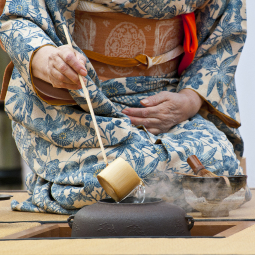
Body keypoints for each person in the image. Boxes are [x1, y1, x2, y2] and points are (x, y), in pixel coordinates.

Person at [0, 0, 247, 214]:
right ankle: (59, 181)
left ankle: (68, 183)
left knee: (219, 165)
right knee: (120, 175)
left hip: (166, 100)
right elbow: (20, 17)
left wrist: (190, 99)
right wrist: (49, 62)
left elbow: (226, 25)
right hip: (77, 102)